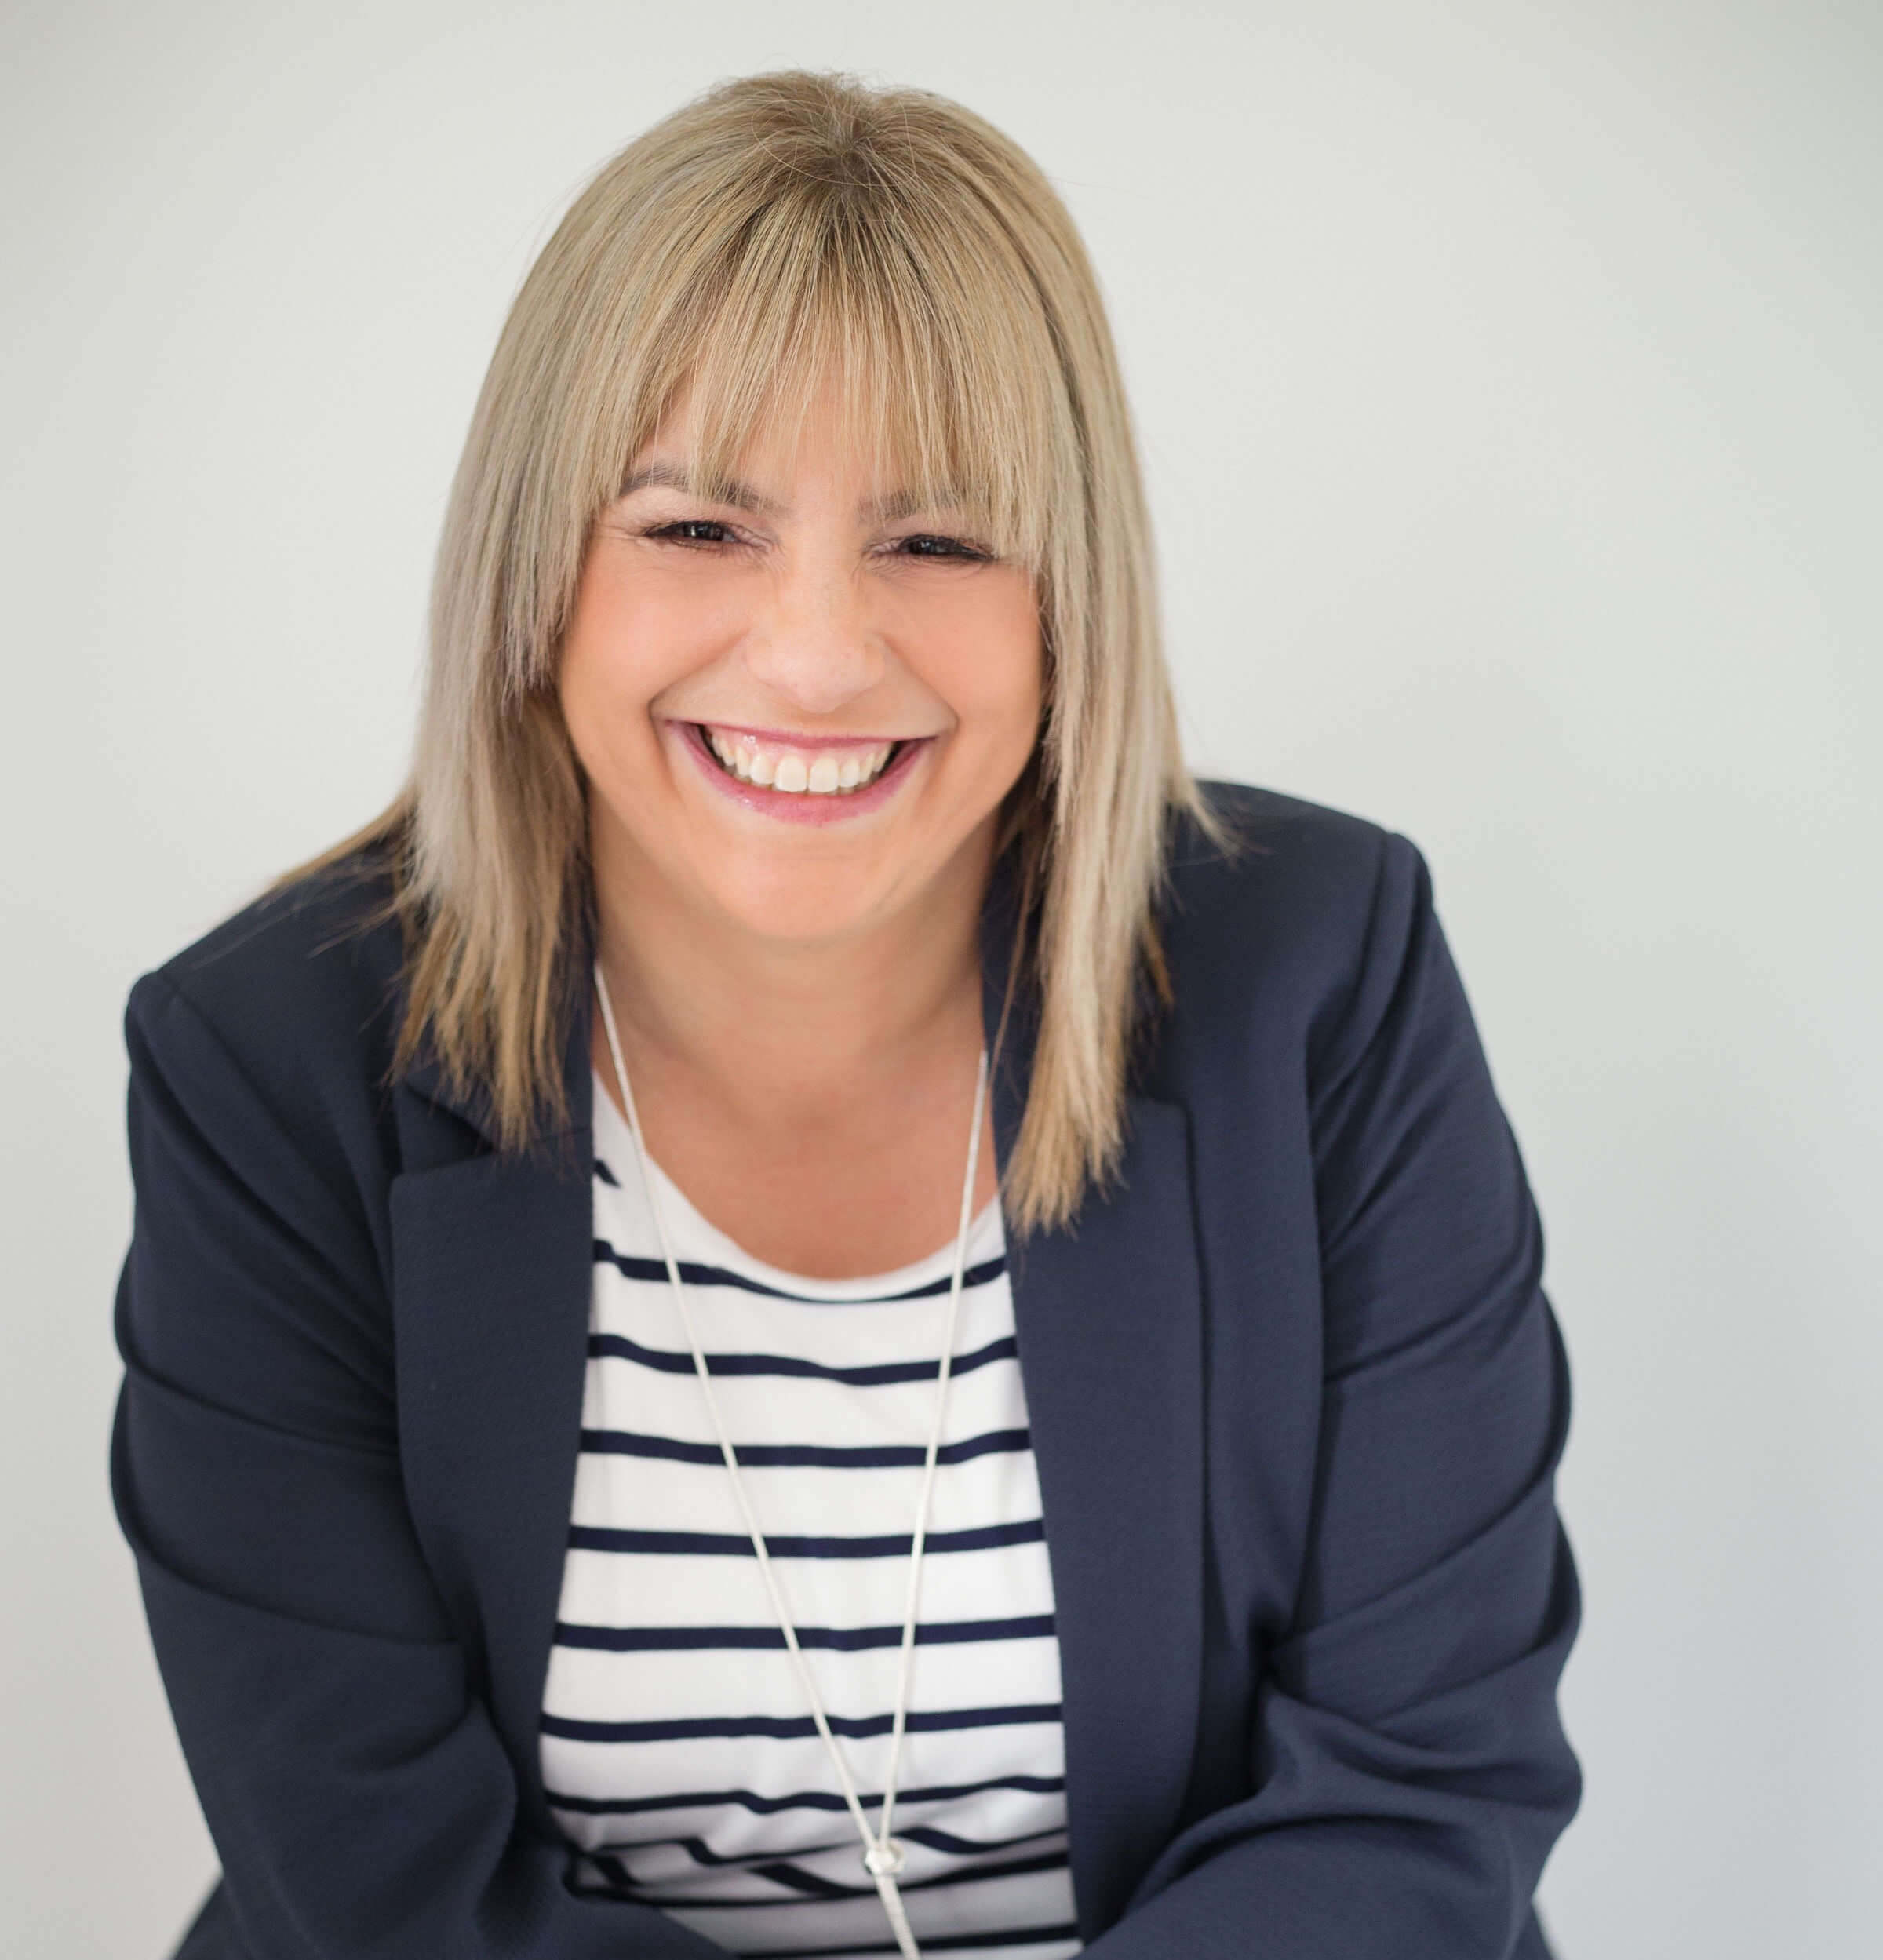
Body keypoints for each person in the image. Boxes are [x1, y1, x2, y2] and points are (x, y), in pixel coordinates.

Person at [108, 69, 1582, 1960]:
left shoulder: (1323, 974)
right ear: (536, 575)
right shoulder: (270, 1062)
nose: (814, 653)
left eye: (941, 542)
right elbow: (384, 1887)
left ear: (1073, 605)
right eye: (697, 528)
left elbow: (1421, 1780)